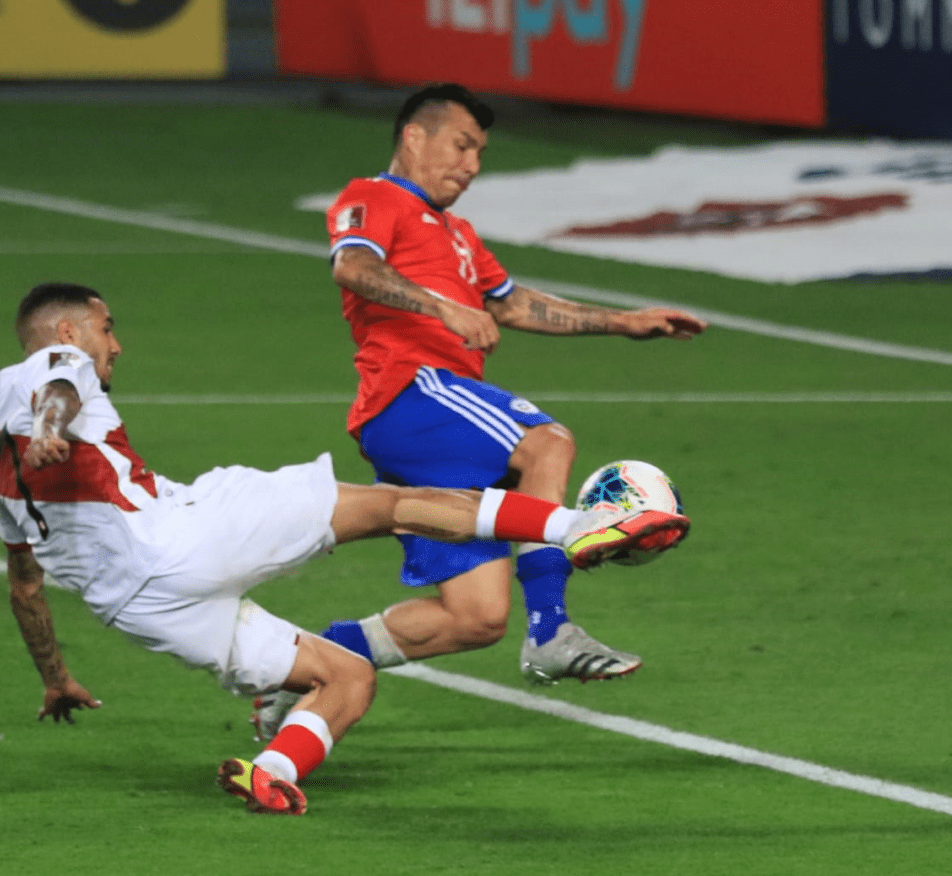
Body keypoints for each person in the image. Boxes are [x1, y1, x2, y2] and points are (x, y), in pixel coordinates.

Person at [0, 282, 688, 816]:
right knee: (395, 506)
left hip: (139, 606)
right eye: (108, 329)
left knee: (347, 676)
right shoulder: (49, 364)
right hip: (184, 534)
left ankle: (276, 771)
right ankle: (579, 527)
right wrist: (49, 425)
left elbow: (25, 586)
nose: (115, 345)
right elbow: (57, 388)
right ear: (70, 330)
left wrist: (54, 676)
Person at [252, 83, 706, 737]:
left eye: (480, 154)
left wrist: (625, 321)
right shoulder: (373, 197)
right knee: (547, 443)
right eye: (462, 146)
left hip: (437, 428)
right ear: (415, 137)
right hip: (413, 393)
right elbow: (351, 267)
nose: (472, 166)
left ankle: (301, 664)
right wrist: (442, 306)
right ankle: (551, 628)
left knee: (475, 618)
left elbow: (512, 303)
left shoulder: (458, 233)